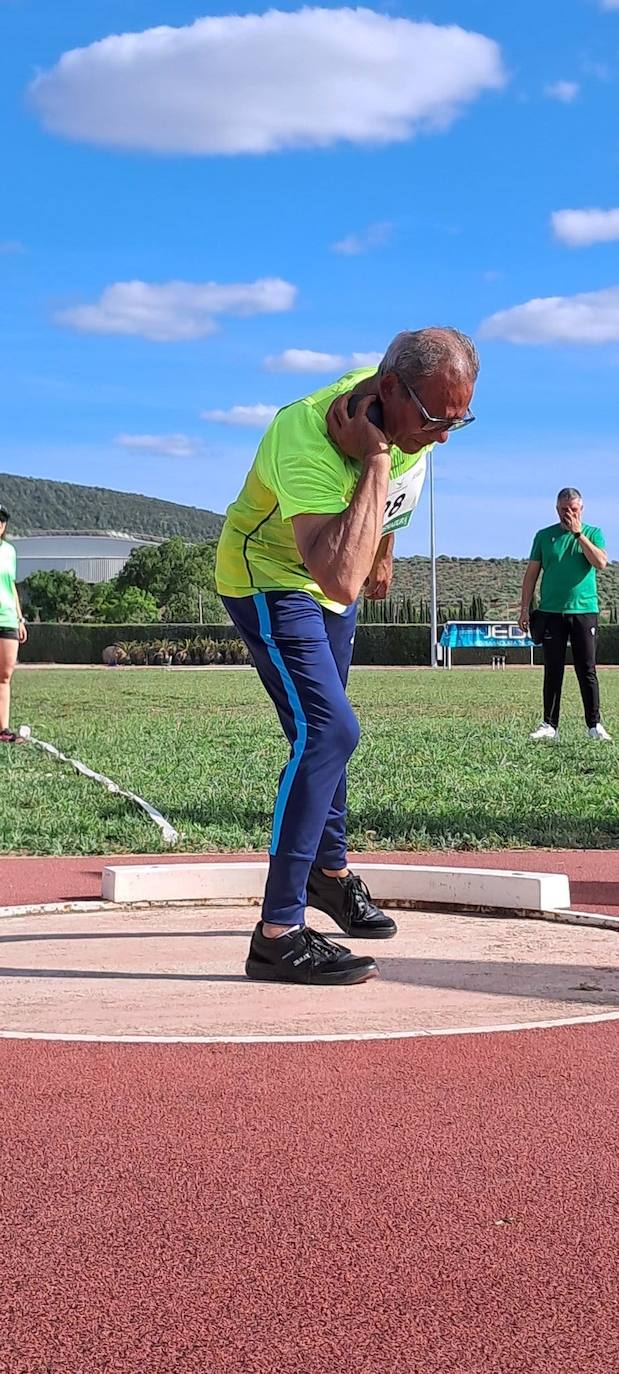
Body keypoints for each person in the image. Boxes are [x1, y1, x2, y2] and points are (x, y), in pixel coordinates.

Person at [216, 327, 479, 986]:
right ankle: (277, 935)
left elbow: (393, 503)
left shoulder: (415, 413)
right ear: (388, 391)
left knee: (322, 735)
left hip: (340, 566)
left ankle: (328, 878)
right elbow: (333, 573)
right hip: (270, 579)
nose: (444, 435)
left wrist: (384, 549)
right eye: (434, 419)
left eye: (460, 420)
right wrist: (376, 461)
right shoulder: (304, 435)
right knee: (329, 730)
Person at [519, 488, 611, 742]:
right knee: (553, 668)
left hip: (584, 611)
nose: (567, 514)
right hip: (551, 612)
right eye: (563, 510)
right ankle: (549, 724)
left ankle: (594, 725)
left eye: (572, 509)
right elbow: (531, 575)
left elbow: (601, 563)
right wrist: (524, 608)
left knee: (587, 669)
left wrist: (578, 534)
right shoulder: (544, 536)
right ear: (556, 509)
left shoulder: (593, 533)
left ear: (581, 509)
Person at [0, 504, 28, 744]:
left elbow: (11, 586)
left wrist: (20, 618)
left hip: (7, 618)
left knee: (5, 676)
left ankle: (3, 729)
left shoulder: (9, 551)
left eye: (2, 520)